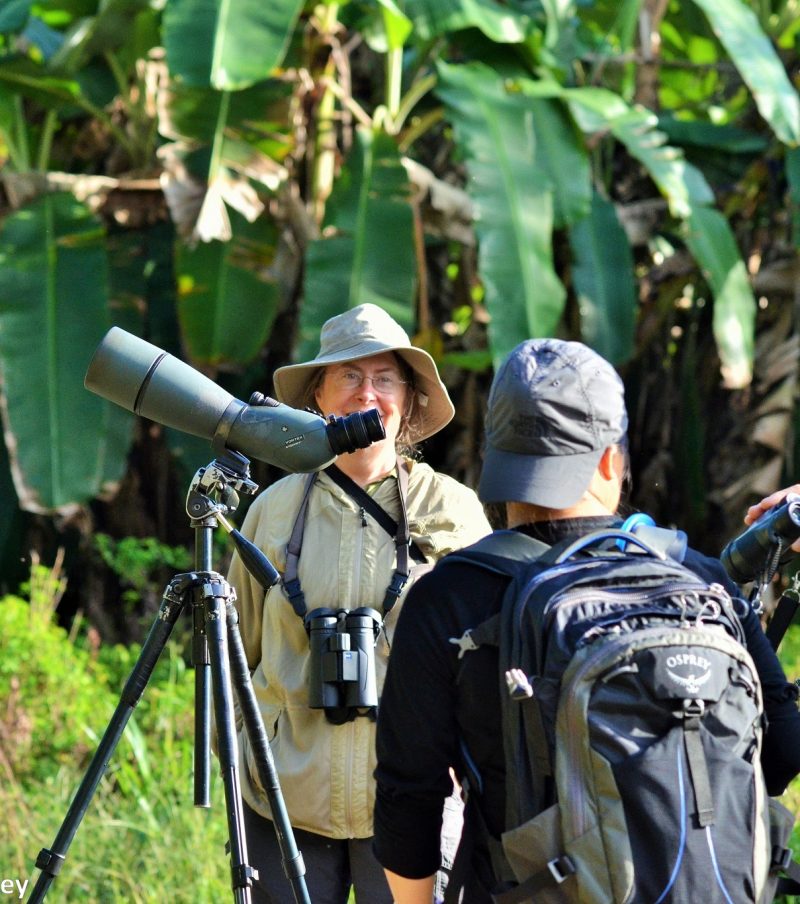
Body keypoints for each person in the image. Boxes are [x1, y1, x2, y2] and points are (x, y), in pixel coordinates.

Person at [373, 337, 800, 903]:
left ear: (496, 460)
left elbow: (410, 805)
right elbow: (781, 754)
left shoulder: (449, 599)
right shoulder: (702, 581)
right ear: (610, 460)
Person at [226, 303, 491, 904]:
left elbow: (483, 662)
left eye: (384, 378)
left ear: (410, 399)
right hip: (283, 797)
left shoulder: (453, 512)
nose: (365, 393)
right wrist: (244, 755)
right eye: (347, 375)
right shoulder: (273, 509)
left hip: (411, 797)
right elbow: (234, 654)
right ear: (318, 395)